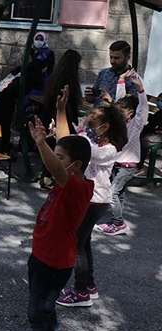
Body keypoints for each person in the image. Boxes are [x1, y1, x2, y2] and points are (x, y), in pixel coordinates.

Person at [55, 87, 128, 308]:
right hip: (91, 199)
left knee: (76, 245)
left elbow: (71, 142)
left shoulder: (108, 150)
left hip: (94, 200)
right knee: (83, 243)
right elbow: (71, 139)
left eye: (90, 122)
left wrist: (66, 120)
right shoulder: (92, 141)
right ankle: (88, 286)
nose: (86, 124)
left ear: (105, 128)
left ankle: (80, 293)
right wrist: (61, 112)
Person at [25, 109, 94, 331]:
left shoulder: (76, 188)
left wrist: (41, 144)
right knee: (42, 310)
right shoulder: (70, 177)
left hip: (53, 263)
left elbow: (55, 166)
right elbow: (66, 145)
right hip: (40, 256)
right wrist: (61, 110)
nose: (55, 160)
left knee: (38, 313)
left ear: (75, 165)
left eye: (60, 157)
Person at [96, 72, 147, 235]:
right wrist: (120, 81)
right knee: (119, 194)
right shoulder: (120, 123)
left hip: (128, 166)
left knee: (112, 193)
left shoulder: (136, 124)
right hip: (117, 164)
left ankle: (118, 224)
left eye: (120, 113)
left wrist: (141, 90)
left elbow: (143, 108)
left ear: (130, 113)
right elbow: (119, 101)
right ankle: (115, 220)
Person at [37, 50, 83, 189]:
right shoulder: (72, 81)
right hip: (63, 117)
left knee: (51, 146)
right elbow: (73, 103)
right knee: (63, 149)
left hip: (49, 115)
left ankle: (45, 176)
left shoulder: (54, 77)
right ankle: (58, 176)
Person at [85, 40, 140, 105]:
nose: (112, 61)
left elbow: (130, 107)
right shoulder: (104, 73)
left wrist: (111, 102)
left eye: (117, 58)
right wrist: (90, 96)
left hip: (115, 114)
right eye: (111, 57)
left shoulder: (134, 79)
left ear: (128, 58)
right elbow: (92, 99)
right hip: (97, 112)